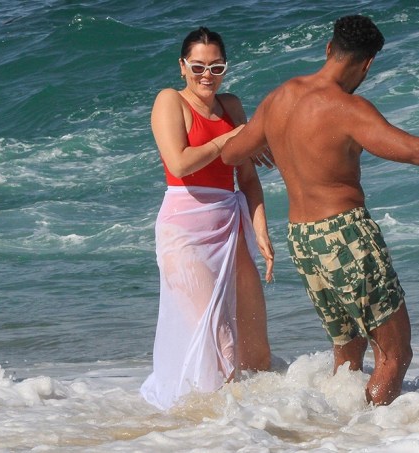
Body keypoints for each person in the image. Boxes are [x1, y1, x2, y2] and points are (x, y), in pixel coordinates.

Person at [221, 15, 419, 406]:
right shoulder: (347, 109)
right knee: (394, 354)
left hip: (303, 241)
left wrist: (266, 139)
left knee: (349, 350)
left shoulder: (279, 98)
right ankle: (376, 439)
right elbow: (417, 151)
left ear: (328, 49)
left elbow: (231, 152)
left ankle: (339, 431)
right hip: (344, 235)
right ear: (368, 63)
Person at [140, 27, 274, 410]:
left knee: (256, 350)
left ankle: (265, 420)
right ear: (182, 66)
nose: (207, 75)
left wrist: (261, 231)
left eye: (216, 66)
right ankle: (221, 428)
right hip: (184, 229)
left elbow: (247, 179)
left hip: (230, 225)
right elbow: (179, 161)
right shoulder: (170, 101)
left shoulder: (231, 107)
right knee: (220, 340)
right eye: (198, 66)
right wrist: (227, 141)